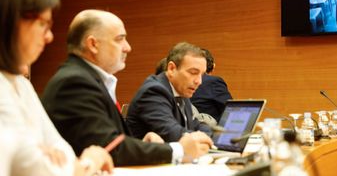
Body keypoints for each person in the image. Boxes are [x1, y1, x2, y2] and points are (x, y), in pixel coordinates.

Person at [41, 10, 212, 166]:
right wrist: (179, 150)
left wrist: (143, 144)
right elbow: (110, 147)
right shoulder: (75, 82)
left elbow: (113, 140)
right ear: (93, 44)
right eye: (119, 39)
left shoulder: (88, 79)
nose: (128, 47)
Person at [0, 0, 113, 176]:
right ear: (10, 21)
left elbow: (60, 147)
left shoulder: (20, 83)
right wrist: (89, 162)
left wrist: (51, 158)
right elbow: (33, 168)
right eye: (43, 24)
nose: (49, 36)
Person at [126, 42, 213, 142]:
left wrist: (205, 135)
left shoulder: (181, 91)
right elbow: (171, 132)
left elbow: (196, 125)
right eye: (193, 73)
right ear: (171, 69)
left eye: (202, 75)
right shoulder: (153, 91)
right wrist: (203, 138)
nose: (199, 81)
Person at [191, 48, 233, 122]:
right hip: (211, 130)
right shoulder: (214, 82)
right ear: (213, 66)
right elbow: (231, 110)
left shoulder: (182, 83)